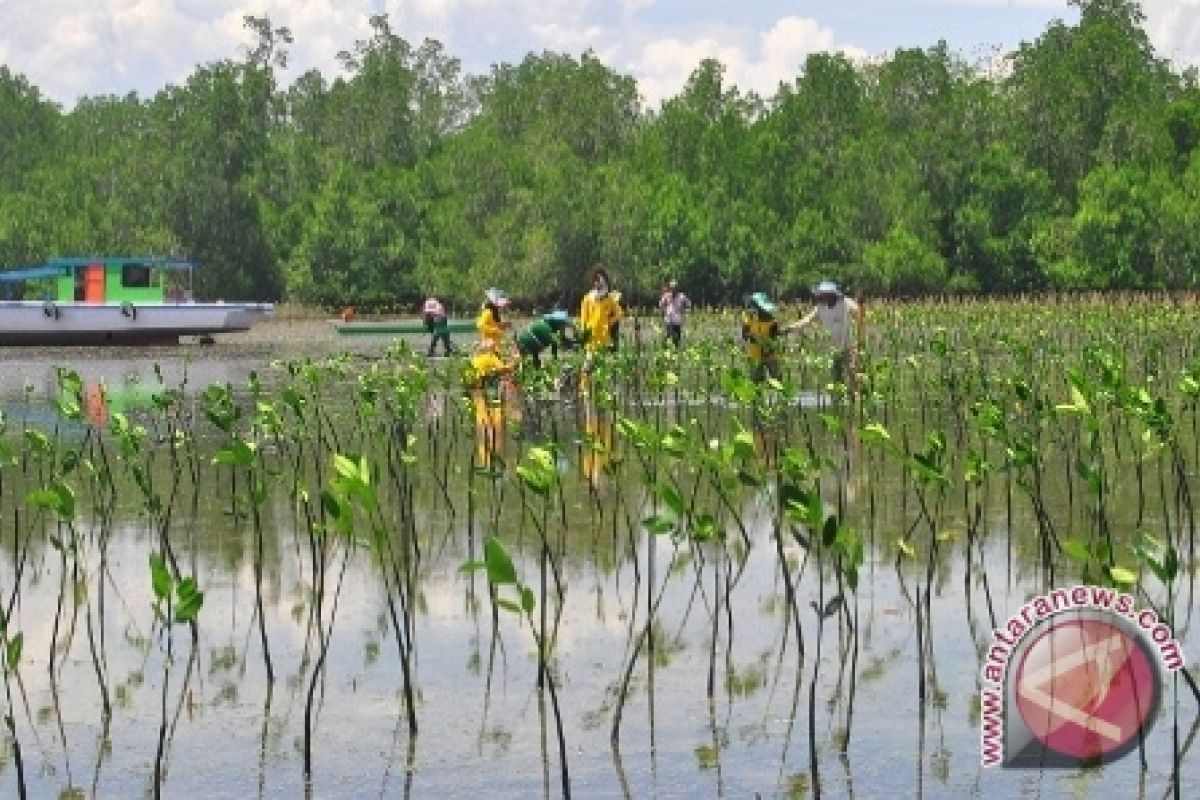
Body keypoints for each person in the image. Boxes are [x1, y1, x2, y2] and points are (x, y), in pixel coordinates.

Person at [787, 280, 864, 386]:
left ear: (832, 294)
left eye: (825, 294)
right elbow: (807, 320)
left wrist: (859, 307)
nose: (822, 297)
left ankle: (856, 399)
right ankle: (839, 399)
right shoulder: (820, 307)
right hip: (833, 350)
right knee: (836, 378)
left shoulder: (844, 302)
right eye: (821, 294)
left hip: (848, 347)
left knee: (853, 374)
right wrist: (790, 328)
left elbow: (857, 311)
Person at [578, 266, 623, 354]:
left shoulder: (610, 299)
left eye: (600, 280)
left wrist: (609, 321)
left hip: (604, 339)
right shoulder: (587, 298)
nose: (597, 283)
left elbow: (619, 313)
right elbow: (583, 319)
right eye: (596, 280)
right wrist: (584, 336)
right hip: (591, 340)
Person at [742, 292, 783, 382]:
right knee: (756, 381)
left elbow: (774, 338)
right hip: (754, 353)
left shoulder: (772, 322)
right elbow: (744, 335)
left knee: (777, 379)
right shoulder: (749, 318)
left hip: (770, 354)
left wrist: (766, 345)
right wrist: (753, 336)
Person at [476, 287, 510, 352]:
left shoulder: (494, 313)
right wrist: (495, 330)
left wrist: (504, 325)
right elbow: (480, 325)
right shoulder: (487, 312)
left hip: (496, 344)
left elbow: (496, 325)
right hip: (489, 345)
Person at [659, 279, 690, 348]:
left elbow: (688, 304)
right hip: (669, 320)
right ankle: (666, 350)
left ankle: (676, 352)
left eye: (675, 288)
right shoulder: (666, 296)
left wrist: (684, 309)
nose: (674, 289)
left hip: (677, 321)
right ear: (670, 288)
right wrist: (664, 307)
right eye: (672, 288)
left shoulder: (682, 296)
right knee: (668, 337)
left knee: (677, 340)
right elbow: (661, 305)